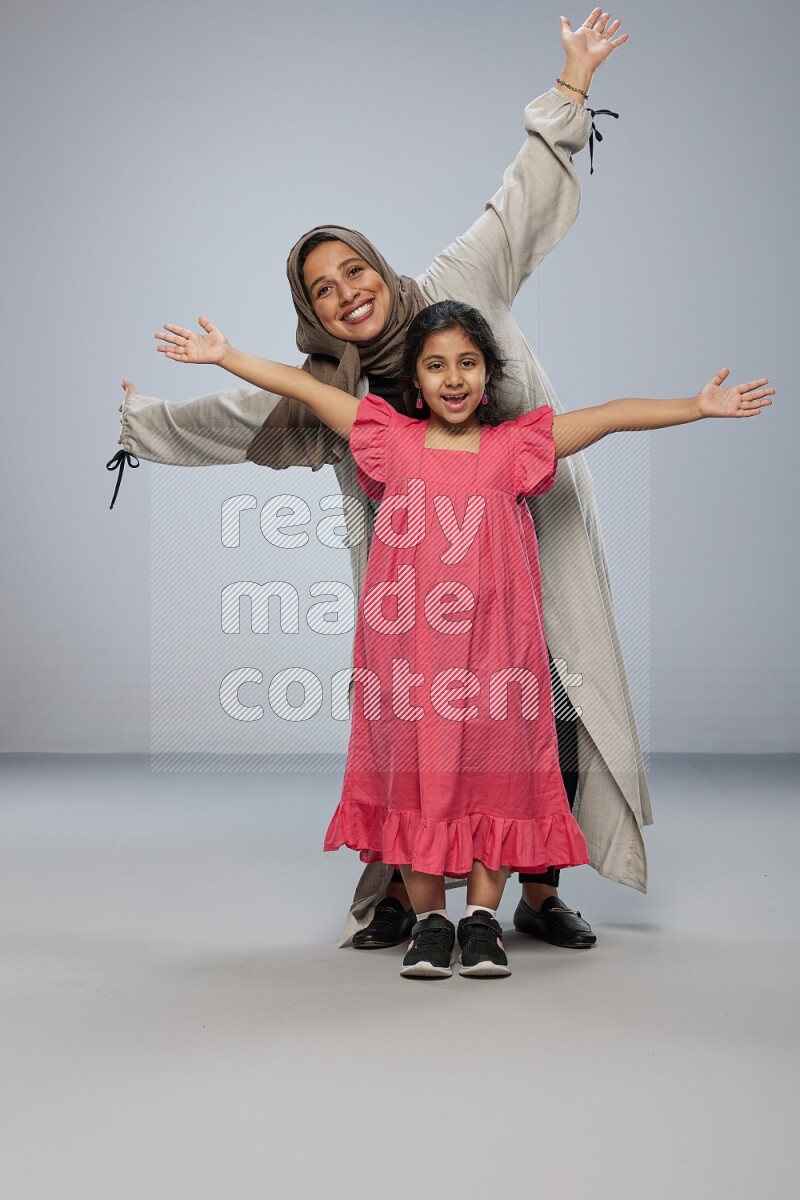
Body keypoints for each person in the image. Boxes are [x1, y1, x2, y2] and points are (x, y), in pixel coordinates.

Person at [117, 10, 639, 950]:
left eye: (353, 269)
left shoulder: (460, 285)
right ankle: (405, 891)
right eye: (322, 288)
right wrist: (144, 424)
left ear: (380, 267)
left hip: (534, 531)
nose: (346, 292)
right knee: (414, 730)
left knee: (548, 705)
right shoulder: (330, 387)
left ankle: (538, 887)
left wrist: (572, 84)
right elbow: (236, 421)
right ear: (310, 309)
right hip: (420, 594)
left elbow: (519, 199)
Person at [152, 298, 773, 978]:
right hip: (409, 660)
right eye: (437, 365)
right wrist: (226, 356)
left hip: (498, 659)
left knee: (495, 783)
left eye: (467, 364)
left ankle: (482, 923)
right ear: (415, 381)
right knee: (414, 782)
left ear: (488, 374)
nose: (453, 378)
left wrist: (696, 404)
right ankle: (429, 924)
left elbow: (612, 416)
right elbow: (303, 387)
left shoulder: (517, 446)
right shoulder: (387, 438)